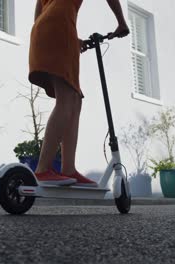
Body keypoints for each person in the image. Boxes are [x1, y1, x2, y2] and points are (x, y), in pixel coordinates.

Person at [28, 0, 130, 187]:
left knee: (74, 99)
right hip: (60, 27)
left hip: (43, 30)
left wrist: (69, 37)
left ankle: (68, 169)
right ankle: (42, 169)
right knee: (66, 100)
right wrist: (121, 22)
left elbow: (40, 13)